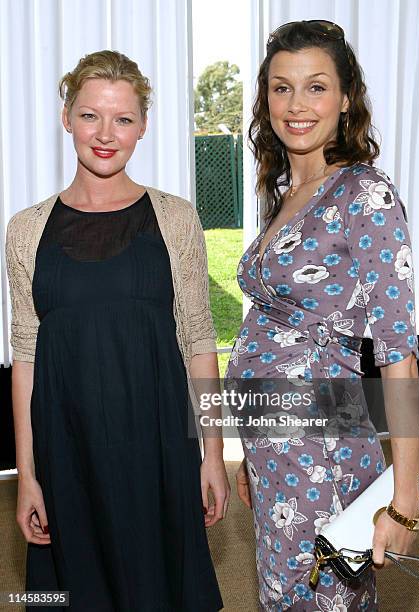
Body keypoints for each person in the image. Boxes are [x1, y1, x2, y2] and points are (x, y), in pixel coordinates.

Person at [5, 50, 229, 611]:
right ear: (66, 117)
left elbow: (200, 343)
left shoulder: (175, 217)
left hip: (156, 448)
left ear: (144, 127)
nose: (106, 134)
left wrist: (211, 456)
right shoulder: (25, 230)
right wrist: (27, 476)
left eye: (123, 119)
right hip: (66, 452)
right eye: (90, 116)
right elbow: (26, 356)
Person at [226, 21, 419, 611]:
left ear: (345, 98)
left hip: (323, 455)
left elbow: (398, 353)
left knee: (320, 599)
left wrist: (404, 498)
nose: (296, 105)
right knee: (282, 594)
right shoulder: (287, 191)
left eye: (315, 87)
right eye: (281, 88)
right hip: (274, 450)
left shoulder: (367, 195)